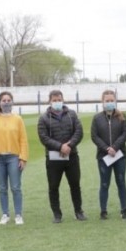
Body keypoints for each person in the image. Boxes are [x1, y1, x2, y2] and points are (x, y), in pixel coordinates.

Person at [38, 89, 85, 223]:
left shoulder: (72, 114)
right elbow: (43, 138)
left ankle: (78, 211)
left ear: (63, 100)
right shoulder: (43, 118)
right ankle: (57, 214)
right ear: (49, 101)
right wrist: (60, 147)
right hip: (53, 158)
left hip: (72, 156)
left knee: (75, 184)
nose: (57, 102)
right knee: (53, 186)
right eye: (54, 100)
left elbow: (79, 132)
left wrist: (69, 146)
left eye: (59, 100)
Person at [0, 91, 29, 225]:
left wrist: (23, 158)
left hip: (13, 157)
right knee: (2, 188)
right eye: (4, 100)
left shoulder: (18, 119)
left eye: (8, 100)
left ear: (12, 102)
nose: (6, 102)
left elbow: (23, 139)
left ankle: (18, 214)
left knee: (16, 187)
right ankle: (5, 214)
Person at [91, 89, 126, 220]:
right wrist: (107, 148)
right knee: (104, 184)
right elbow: (94, 136)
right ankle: (103, 211)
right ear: (102, 102)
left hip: (120, 155)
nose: (109, 102)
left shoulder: (122, 116)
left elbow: (125, 133)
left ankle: (124, 209)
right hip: (103, 157)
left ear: (115, 101)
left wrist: (115, 147)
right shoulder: (97, 118)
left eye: (112, 100)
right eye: (107, 101)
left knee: (121, 182)